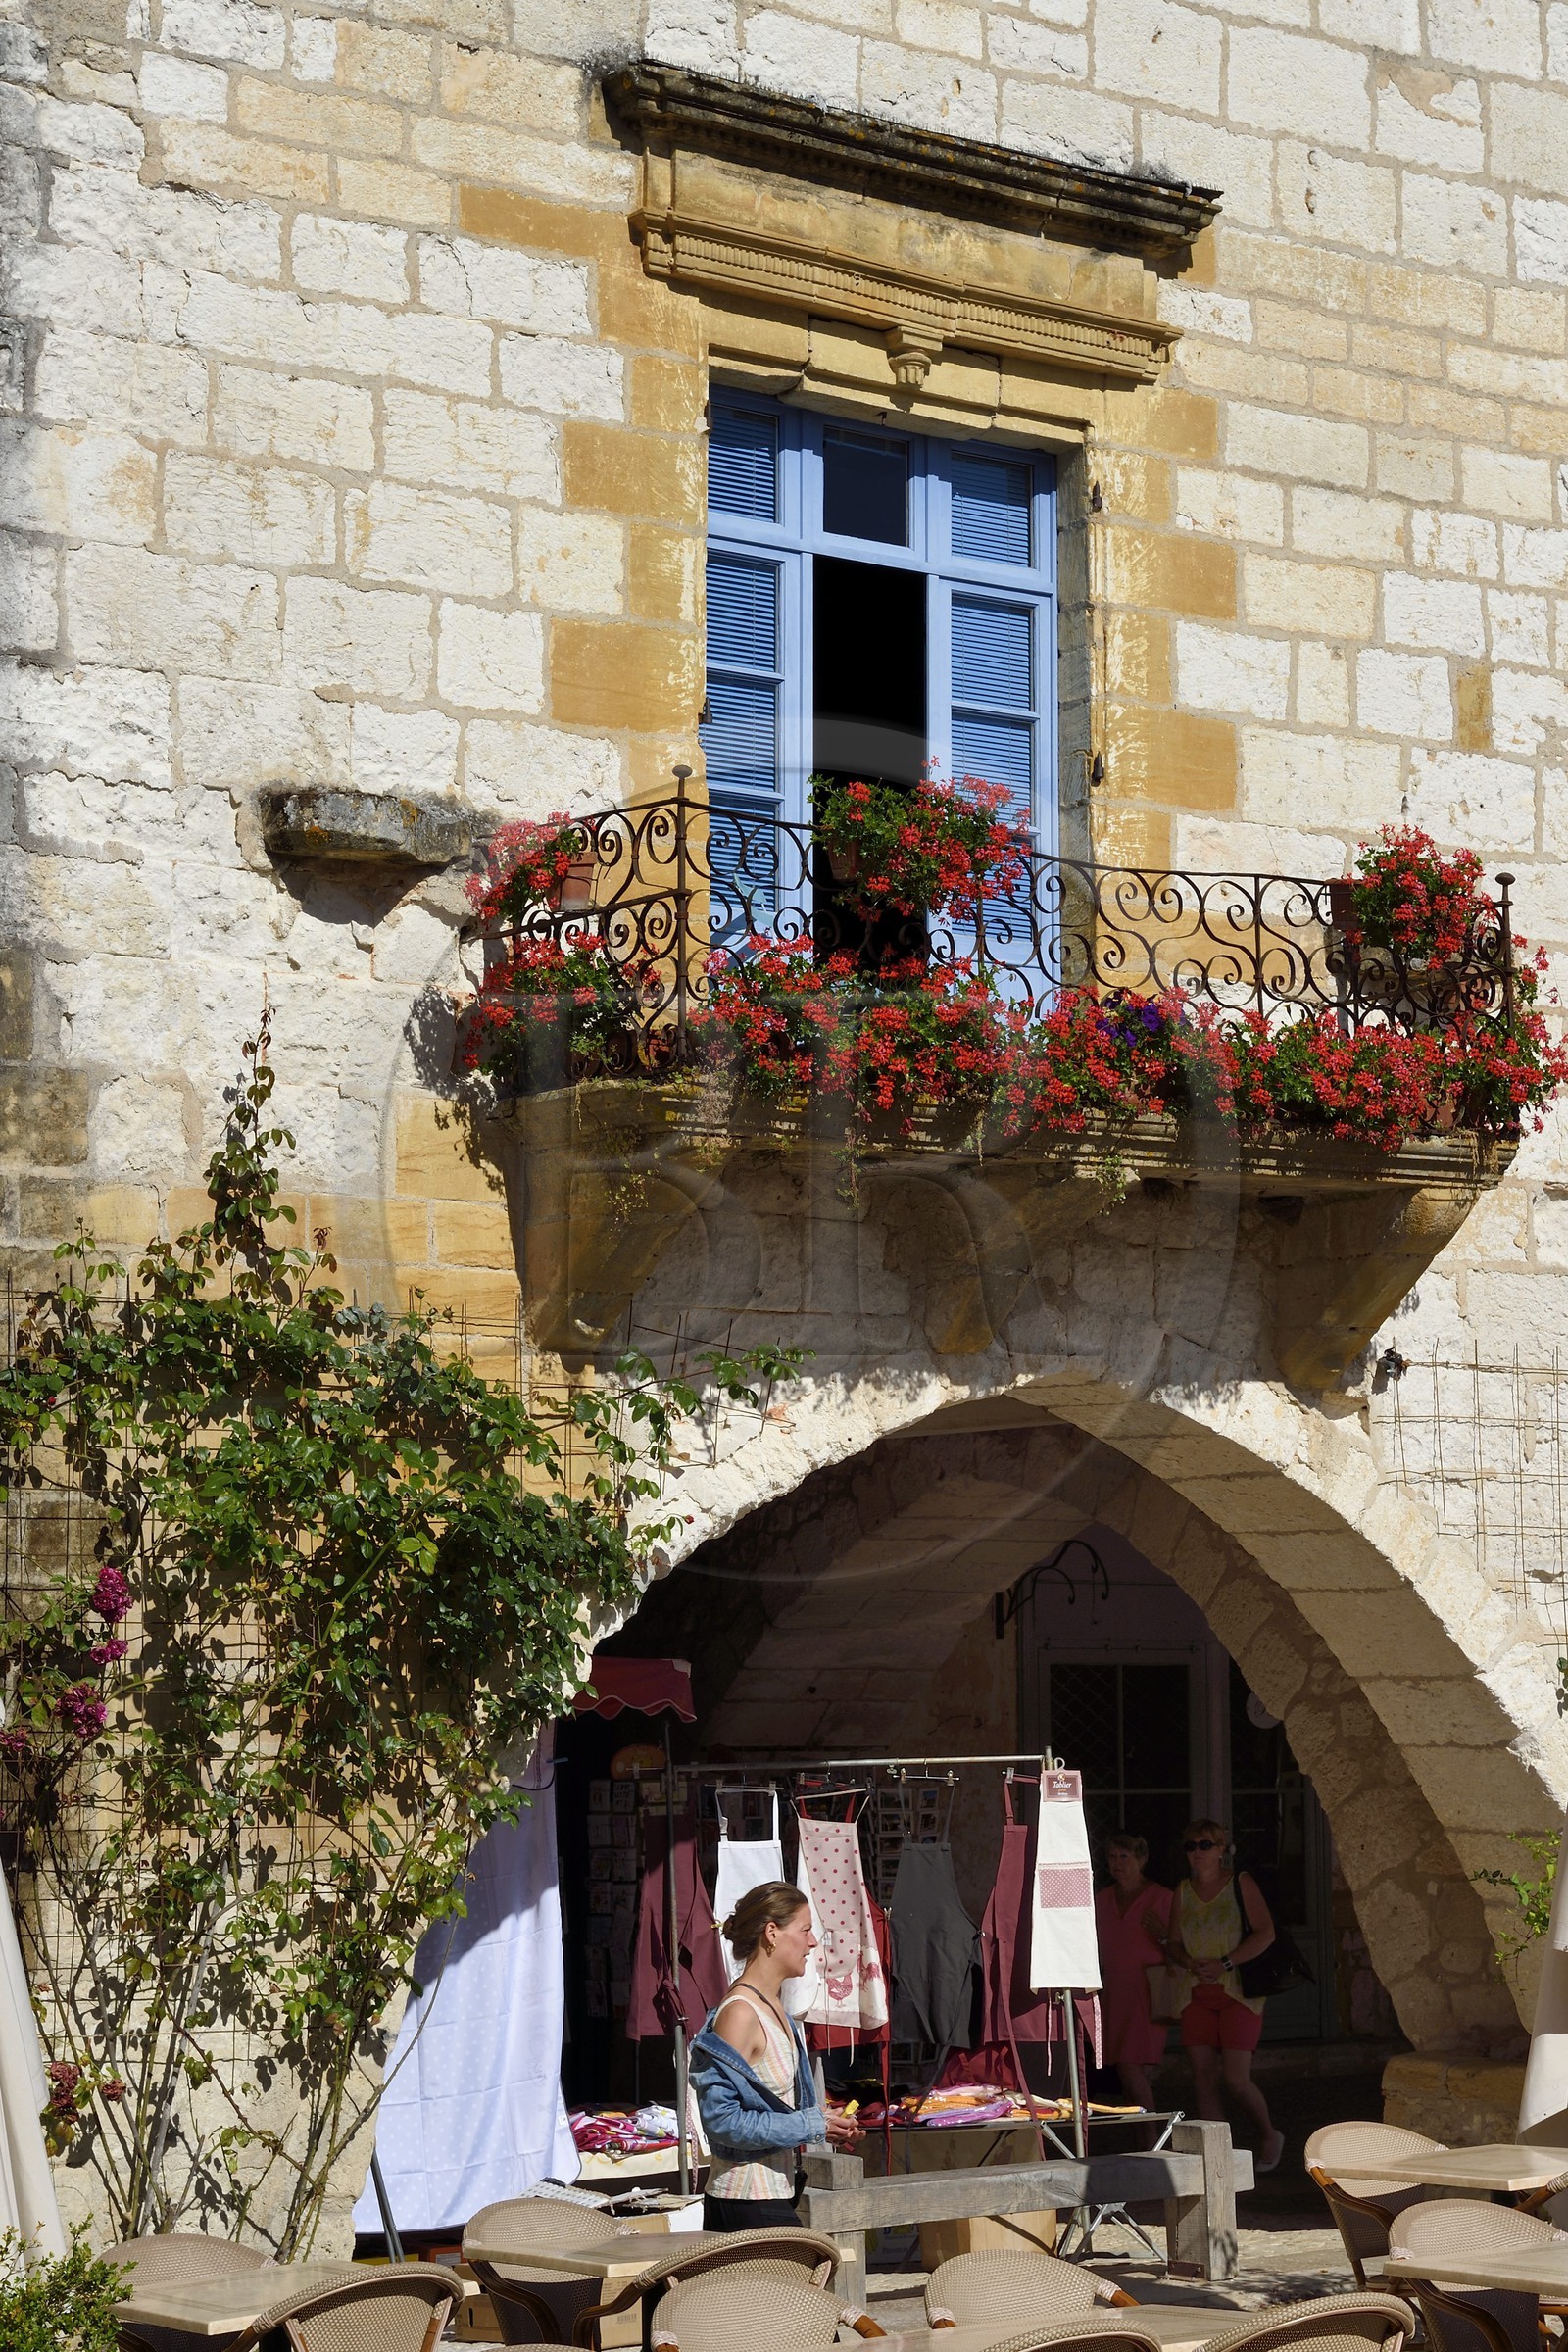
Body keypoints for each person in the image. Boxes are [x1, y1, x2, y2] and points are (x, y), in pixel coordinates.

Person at [688, 1881, 862, 2230]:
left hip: (772, 2197)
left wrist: (825, 2122)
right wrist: (814, 2124)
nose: (813, 1942)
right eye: (806, 1930)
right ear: (772, 1933)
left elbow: (768, 2106)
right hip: (743, 2202)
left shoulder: (774, 2007)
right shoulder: (740, 2014)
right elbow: (722, 2122)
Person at [1164, 1818, 1285, 2173]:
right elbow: (1172, 1942)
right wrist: (1188, 1961)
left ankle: (1268, 2133)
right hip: (1196, 1991)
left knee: (1236, 2076)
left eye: (1205, 1845)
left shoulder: (1239, 1883)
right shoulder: (1182, 1890)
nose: (1197, 1852)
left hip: (1237, 1992)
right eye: (1191, 1846)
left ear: (1221, 1850)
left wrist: (1226, 1963)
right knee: (1202, 2075)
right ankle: (1218, 2154)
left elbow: (1266, 1933)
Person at [1093, 1832, 1173, 2112]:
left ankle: (1151, 2134)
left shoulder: (1163, 1898)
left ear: (1141, 1859)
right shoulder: (1102, 1900)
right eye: (1113, 1857)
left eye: (1124, 1856)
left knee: (1130, 2064)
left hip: (1146, 1990)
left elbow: (1181, 1950)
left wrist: (1162, 1935)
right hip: (1113, 1991)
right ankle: (1141, 2139)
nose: (1118, 1863)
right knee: (1124, 2069)